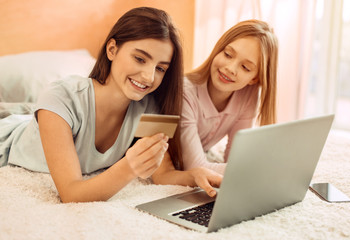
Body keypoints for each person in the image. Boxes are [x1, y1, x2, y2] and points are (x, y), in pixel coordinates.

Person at [0, 7, 222, 203]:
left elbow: (162, 174)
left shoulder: (149, 107)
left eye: (160, 68)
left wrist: (194, 175)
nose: (148, 76)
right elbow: (71, 194)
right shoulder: (61, 97)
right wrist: (128, 167)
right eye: (140, 59)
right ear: (112, 50)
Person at [181, 19, 278, 174]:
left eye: (245, 67)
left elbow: (234, 158)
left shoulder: (247, 94)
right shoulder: (185, 92)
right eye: (227, 54)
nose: (230, 68)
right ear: (218, 50)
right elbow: (196, 167)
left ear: (254, 79)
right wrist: (256, 172)